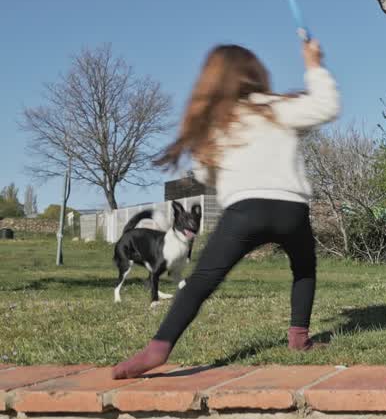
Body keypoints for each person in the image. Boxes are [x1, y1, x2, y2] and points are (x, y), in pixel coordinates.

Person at [112, 41, 340, 379]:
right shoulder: (277, 107)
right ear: (256, 74)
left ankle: (158, 348)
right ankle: (299, 338)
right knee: (304, 269)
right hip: (292, 211)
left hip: (244, 212)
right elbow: (327, 106)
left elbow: (205, 174)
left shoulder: (218, 123)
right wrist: (314, 64)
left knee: (203, 278)